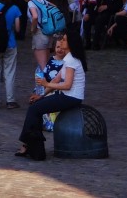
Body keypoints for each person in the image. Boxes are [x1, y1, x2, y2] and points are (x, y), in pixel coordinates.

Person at [15, 30, 88, 161]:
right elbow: (55, 80)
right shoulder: (68, 59)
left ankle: (30, 146)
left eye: (65, 40)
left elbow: (67, 85)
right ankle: (31, 145)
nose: (62, 41)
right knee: (35, 107)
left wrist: (45, 83)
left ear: (71, 43)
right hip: (68, 96)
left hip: (71, 98)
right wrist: (41, 95)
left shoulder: (71, 60)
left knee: (35, 109)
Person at [0, 0, 22, 110]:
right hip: (9, 44)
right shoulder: (14, 8)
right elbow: (17, 28)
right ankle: (10, 101)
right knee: (9, 72)